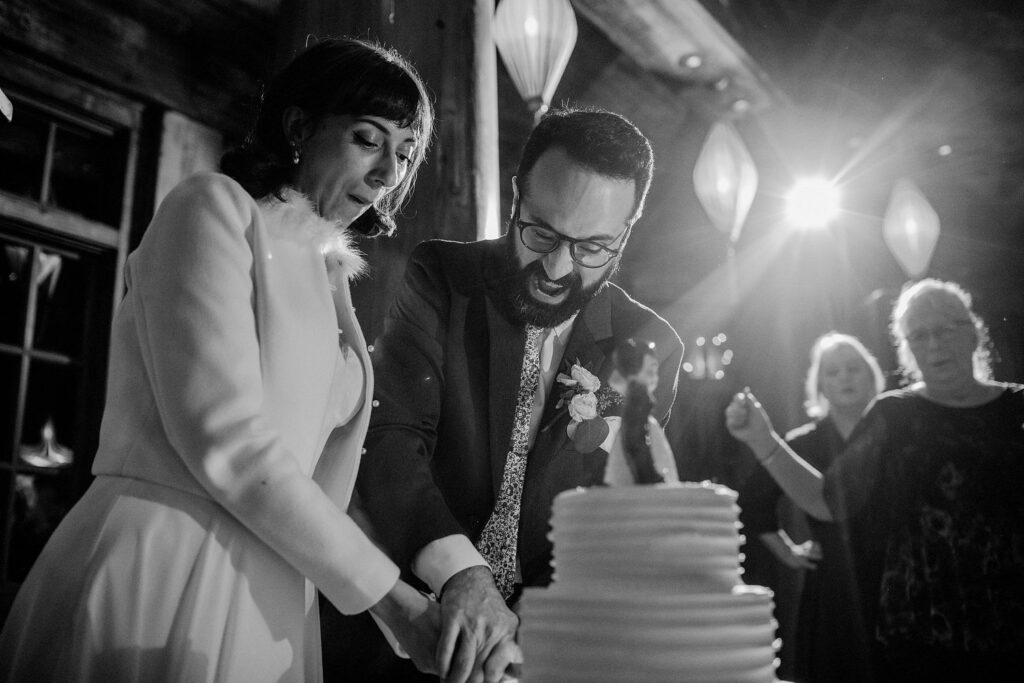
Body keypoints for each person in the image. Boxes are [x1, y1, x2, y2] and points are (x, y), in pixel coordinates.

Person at [0, 37, 442, 682]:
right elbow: (227, 437)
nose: (388, 175)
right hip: (169, 562)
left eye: (404, 154)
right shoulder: (212, 208)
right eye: (369, 139)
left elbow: (319, 479)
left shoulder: (330, 275)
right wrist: (390, 600)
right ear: (299, 124)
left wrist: (420, 594)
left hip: (274, 597)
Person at [325, 107, 684, 681]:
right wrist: (462, 574)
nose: (558, 267)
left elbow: (618, 514)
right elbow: (393, 436)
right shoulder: (443, 275)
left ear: (627, 233)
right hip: (408, 628)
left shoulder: (650, 347)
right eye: (541, 232)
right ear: (517, 196)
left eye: (593, 246)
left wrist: (543, 632)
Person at [726, 279, 1024, 681]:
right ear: (907, 350)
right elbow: (828, 501)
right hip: (922, 627)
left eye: (945, 329)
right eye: (918, 335)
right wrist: (763, 440)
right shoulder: (894, 416)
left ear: (973, 332)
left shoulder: (1017, 406)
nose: (933, 344)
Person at [728, 332, 885, 682]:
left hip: (892, 576)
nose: (844, 377)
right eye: (833, 371)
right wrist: (788, 552)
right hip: (832, 584)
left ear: (872, 376)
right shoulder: (802, 443)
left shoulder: (896, 432)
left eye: (853, 368)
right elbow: (752, 502)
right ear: (820, 385)